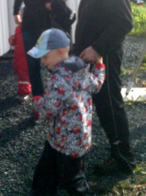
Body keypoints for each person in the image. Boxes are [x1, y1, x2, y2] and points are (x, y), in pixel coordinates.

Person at [73, 0, 136, 175]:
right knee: (101, 104)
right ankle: (115, 150)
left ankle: (124, 158)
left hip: (105, 53)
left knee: (109, 103)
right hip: (90, 51)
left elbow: (124, 22)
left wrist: (98, 48)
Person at [29, 28, 105, 196]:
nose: (42, 61)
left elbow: (48, 110)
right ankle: (41, 190)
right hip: (73, 138)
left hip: (66, 140)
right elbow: (96, 84)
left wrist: (37, 101)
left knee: (72, 178)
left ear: (60, 52)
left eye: (45, 57)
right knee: (47, 168)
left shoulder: (60, 78)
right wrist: (99, 65)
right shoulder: (81, 70)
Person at [13, 0, 69, 116]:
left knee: (53, 65)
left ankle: (59, 101)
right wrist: (15, 11)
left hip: (47, 22)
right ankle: (38, 105)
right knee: (32, 65)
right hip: (29, 22)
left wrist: (54, 3)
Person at [8, 8, 32, 101]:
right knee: (18, 70)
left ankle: (25, 92)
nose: (22, 18)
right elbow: (16, 38)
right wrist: (12, 39)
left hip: (26, 56)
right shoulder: (18, 28)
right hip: (18, 55)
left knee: (24, 74)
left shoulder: (31, 29)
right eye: (21, 16)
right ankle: (24, 89)